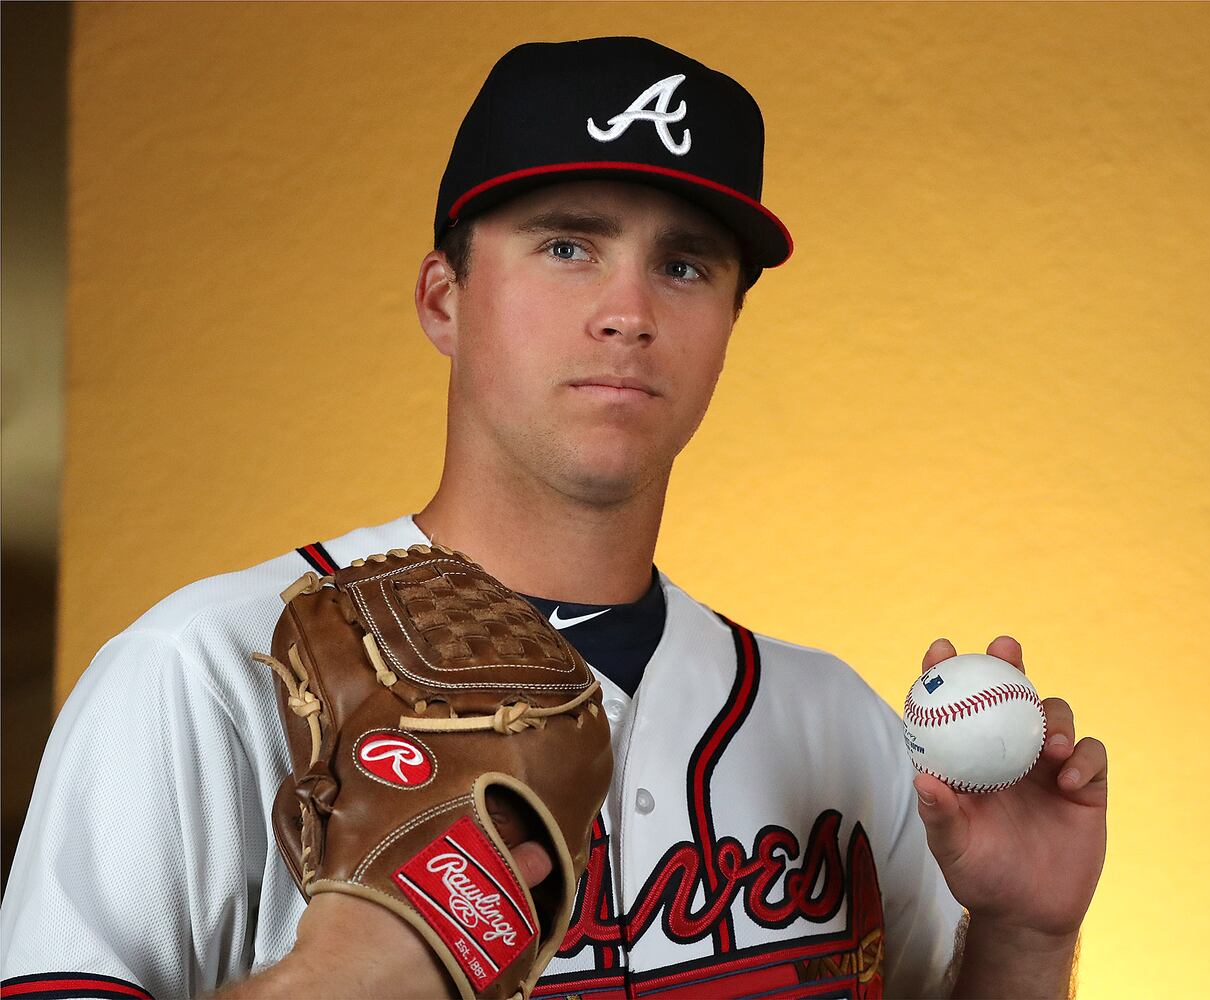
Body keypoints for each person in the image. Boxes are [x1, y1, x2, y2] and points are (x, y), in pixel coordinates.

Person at [0, 36, 1107, 1000]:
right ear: (444, 298)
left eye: (682, 264)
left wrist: (1022, 932)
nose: (626, 313)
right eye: (567, 246)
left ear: (727, 324)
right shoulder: (206, 677)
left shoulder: (841, 730)